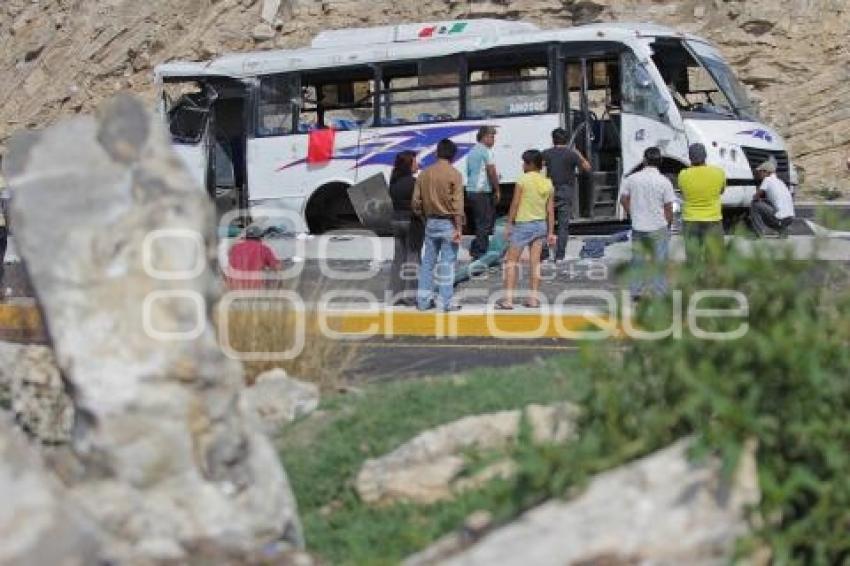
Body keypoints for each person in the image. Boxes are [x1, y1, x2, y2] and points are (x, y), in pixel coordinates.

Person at [496, 150, 557, 310]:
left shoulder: (522, 180)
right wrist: (551, 232)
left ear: (530, 164)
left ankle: (508, 300)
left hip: (523, 225)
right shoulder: (547, 182)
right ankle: (533, 299)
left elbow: (515, 204)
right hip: (540, 225)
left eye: (524, 162)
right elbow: (550, 210)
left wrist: (509, 224)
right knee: (535, 263)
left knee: (511, 262)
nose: (522, 165)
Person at [413, 139, 464, 312]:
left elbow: (416, 202)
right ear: (454, 155)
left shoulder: (424, 174)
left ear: (436, 153)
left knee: (428, 262)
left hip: (430, 222)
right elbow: (457, 205)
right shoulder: (455, 174)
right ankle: (446, 302)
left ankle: (423, 302)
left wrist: (423, 218)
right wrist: (459, 229)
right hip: (448, 222)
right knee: (447, 264)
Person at [620, 147, 676, 299]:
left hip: (638, 226)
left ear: (644, 160)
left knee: (637, 260)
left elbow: (623, 199)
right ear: (660, 162)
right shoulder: (664, 181)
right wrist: (668, 224)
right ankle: (660, 293)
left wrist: (632, 212)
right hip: (658, 226)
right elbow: (668, 207)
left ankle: (635, 292)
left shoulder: (632, 179)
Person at [542, 127, 591, 263]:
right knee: (563, 224)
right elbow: (587, 168)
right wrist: (578, 154)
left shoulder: (546, 153)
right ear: (567, 139)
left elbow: (537, 166)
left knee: (547, 222)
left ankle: (545, 253)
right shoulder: (571, 154)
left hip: (549, 189)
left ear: (553, 140)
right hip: (566, 190)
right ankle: (560, 255)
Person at [677, 143, 726, 261]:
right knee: (714, 258)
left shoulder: (683, 175)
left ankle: (695, 279)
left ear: (690, 158)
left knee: (693, 259)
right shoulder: (719, 173)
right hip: (713, 220)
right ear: (705, 156)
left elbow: (683, 192)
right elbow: (721, 191)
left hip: (690, 220)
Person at [387, 150, 424, 306]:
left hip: (396, 221)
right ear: (409, 164)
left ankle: (395, 295)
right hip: (411, 222)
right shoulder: (414, 183)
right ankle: (410, 296)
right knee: (413, 258)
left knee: (398, 259)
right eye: (415, 162)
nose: (418, 164)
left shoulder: (393, 182)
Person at [465, 125, 500, 260]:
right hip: (481, 191)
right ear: (484, 137)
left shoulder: (473, 151)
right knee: (485, 223)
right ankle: (479, 252)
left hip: (472, 190)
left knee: (481, 221)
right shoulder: (486, 151)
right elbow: (491, 171)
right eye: (492, 137)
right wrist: (497, 189)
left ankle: (477, 247)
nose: (493, 140)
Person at [225, 224, 282, 290]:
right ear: (260, 237)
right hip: (255, 288)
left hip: (235, 288)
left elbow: (229, 266)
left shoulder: (235, 248)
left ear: (246, 236)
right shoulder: (263, 248)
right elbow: (277, 267)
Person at [750, 157, 794, 238]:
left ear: (767, 172)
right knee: (767, 205)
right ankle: (783, 230)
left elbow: (756, 196)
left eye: (761, 171)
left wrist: (757, 197)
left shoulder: (767, 179)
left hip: (780, 219)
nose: (759, 173)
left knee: (755, 204)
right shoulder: (780, 182)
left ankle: (758, 234)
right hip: (790, 218)